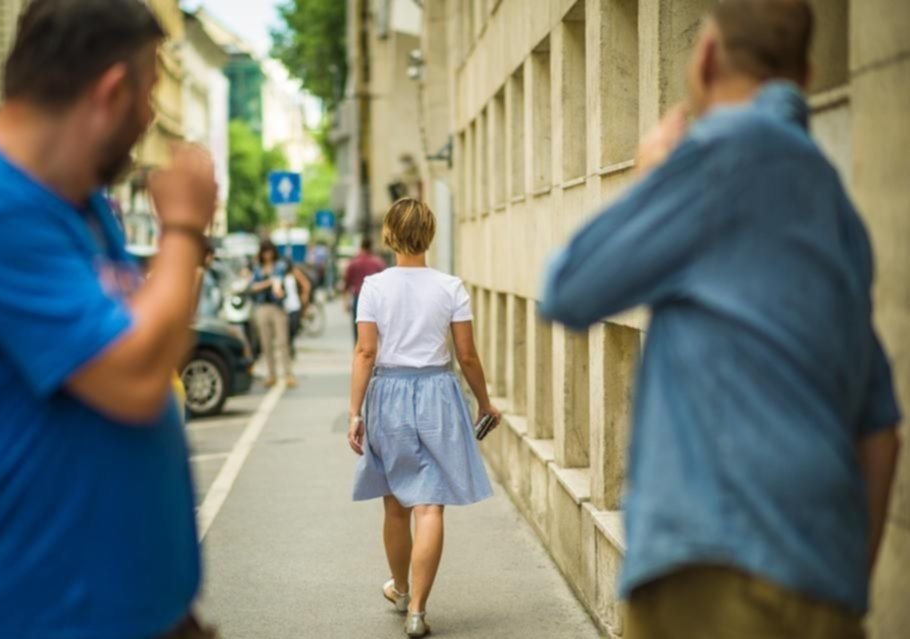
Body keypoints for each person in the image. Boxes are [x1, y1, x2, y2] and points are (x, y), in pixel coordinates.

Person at [539, 2, 901, 638]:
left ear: (704, 60)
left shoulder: (719, 154)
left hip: (713, 575)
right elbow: (880, 434)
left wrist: (650, 176)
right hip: (824, 588)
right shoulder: (834, 204)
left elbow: (569, 288)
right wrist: (842, 589)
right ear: (806, 74)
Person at [0, 1, 218, 638]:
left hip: (131, 611)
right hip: (32, 616)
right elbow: (133, 381)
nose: (151, 117)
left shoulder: (77, 202)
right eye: (149, 91)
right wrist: (185, 229)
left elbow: (154, 352)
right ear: (110, 91)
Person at [348, 198, 500, 637]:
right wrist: (485, 403)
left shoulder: (374, 288)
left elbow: (365, 352)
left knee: (395, 503)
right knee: (430, 504)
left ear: (389, 234)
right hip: (438, 393)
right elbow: (466, 355)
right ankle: (417, 610)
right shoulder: (450, 287)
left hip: (389, 393)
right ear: (430, 234)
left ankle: (398, 588)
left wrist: (354, 413)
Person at [251, 240, 296, 388]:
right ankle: (271, 375)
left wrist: (278, 289)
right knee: (266, 343)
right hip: (262, 307)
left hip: (277, 307)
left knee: (283, 342)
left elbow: (280, 285)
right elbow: (252, 287)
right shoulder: (258, 268)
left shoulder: (280, 266)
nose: (267, 255)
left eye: (269, 252)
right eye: (265, 252)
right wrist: (268, 283)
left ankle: (288, 374)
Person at [343, 236, 386, 341]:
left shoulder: (353, 263)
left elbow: (346, 284)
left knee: (358, 331)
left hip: (358, 298)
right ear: (371, 247)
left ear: (361, 246)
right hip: (376, 299)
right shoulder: (378, 263)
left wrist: (344, 302)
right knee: (376, 332)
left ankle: (358, 353)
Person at [282, 259, 312, 359]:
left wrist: (304, 299)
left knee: (294, 327)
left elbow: (306, 285)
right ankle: (288, 349)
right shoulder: (279, 274)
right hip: (283, 307)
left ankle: (290, 345)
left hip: (295, 305)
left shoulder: (295, 272)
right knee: (285, 330)